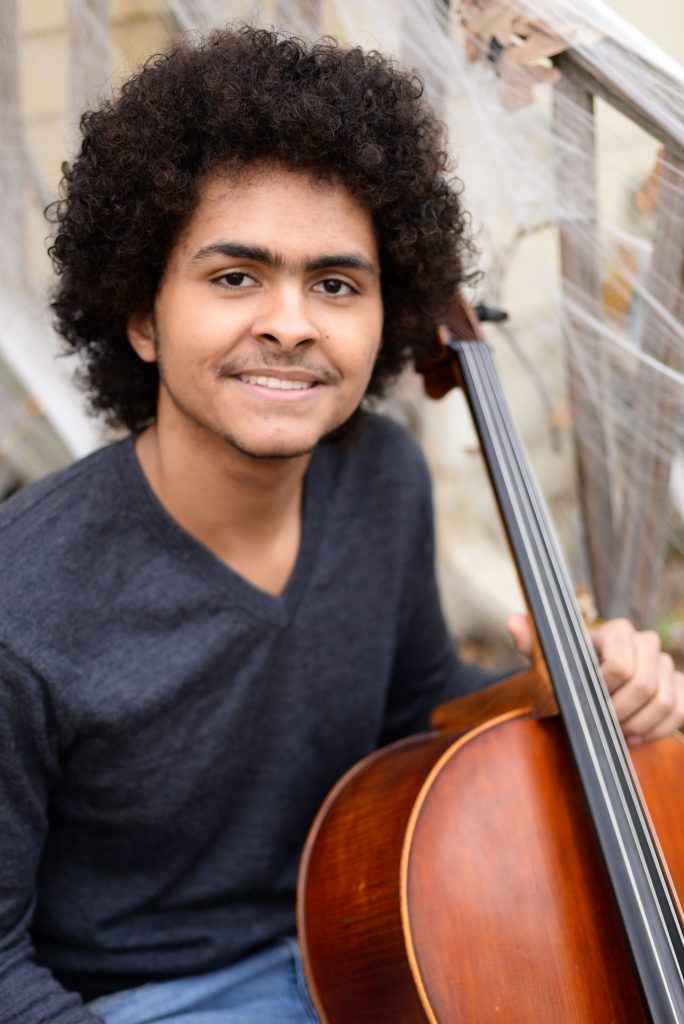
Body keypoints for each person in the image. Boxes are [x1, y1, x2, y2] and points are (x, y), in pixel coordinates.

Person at [0, 24, 681, 1024]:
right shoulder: (24, 605)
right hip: (144, 999)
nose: (291, 322)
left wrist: (569, 692)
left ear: (385, 315)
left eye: (335, 283)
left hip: (378, 930)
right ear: (141, 316)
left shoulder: (382, 481)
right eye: (235, 277)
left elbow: (415, 715)